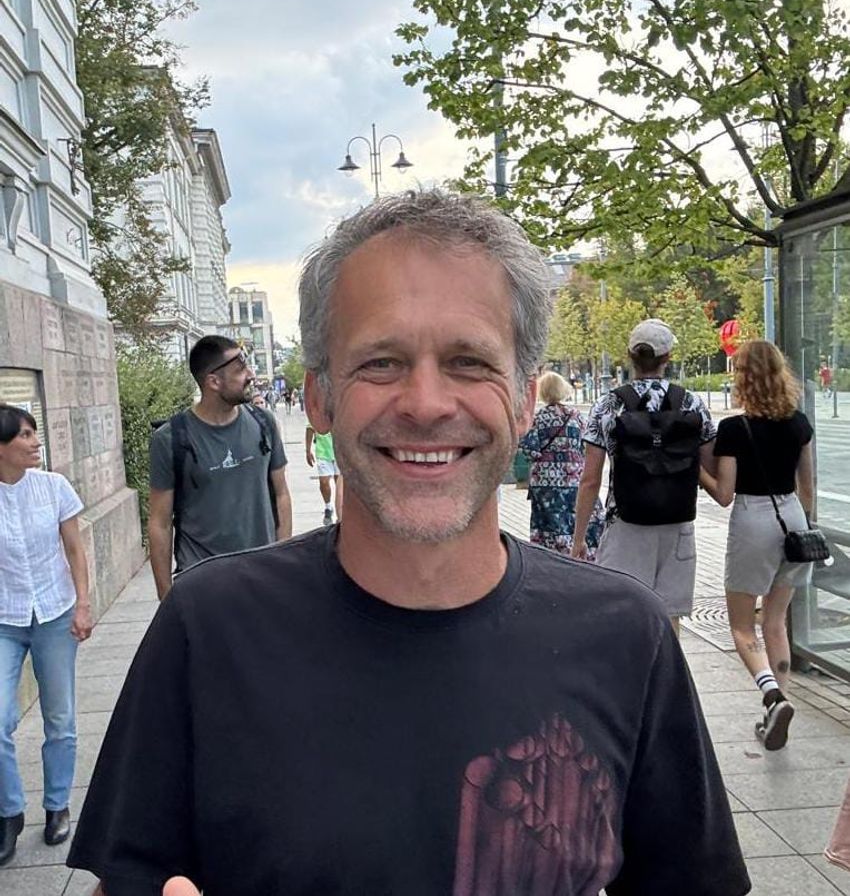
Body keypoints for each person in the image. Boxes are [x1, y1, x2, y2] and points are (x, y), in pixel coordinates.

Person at [68, 191, 749, 896]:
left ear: (522, 401)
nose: (425, 403)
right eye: (382, 363)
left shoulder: (626, 637)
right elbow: (129, 880)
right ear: (319, 399)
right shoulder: (207, 628)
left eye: (468, 361)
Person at [700, 339, 814, 752]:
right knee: (776, 622)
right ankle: (776, 709)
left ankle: (772, 696)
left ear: (743, 378)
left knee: (742, 626)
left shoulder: (734, 429)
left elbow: (725, 493)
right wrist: (798, 527)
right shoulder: (800, 423)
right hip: (793, 524)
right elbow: (808, 489)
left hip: (753, 519)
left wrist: (699, 469)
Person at [572, 319, 716, 635]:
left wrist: (579, 536)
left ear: (629, 356)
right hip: (676, 523)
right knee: (669, 621)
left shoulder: (608, 404)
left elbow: (590, 480)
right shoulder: (691, 402)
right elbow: (710, 466)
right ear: (668, 357)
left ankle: (628, 682)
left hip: (625, 523)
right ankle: (665, 682)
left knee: (622, 619)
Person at [0, 405, 93, 865]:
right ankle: (9, 812)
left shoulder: (54, 487)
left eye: (35, 433)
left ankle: (57, 805)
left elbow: (74, 548)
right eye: (24, 435)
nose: (36, 442)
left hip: (55, 614)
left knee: (61, 719)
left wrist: (83, 602)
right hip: (4, 620)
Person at [147, 336, 292, 601]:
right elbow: (159, 522)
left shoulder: (264, 423)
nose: (250, 375)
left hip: (262, 576)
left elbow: (281, 494)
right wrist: (166, 596)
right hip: (203, 584)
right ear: (213, 382)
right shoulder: (171, 439)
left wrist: (282, 560)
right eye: (240, 370)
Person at [518, 371, 604, 557]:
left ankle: (552, 557)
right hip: (574, 480)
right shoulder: (576, 417)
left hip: (544, 484)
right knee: (575, 519)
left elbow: (528, 450)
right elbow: (588, 445)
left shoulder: (538, 418)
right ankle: (578, 553)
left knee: (549, 523)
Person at [305, 423, 342, 525]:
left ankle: (341, 516)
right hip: (323, 453)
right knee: (324, 482)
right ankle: (328, 506)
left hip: (339, 452)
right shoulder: (319, 410)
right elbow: (310, 428)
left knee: (339, 486)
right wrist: (308, 451)